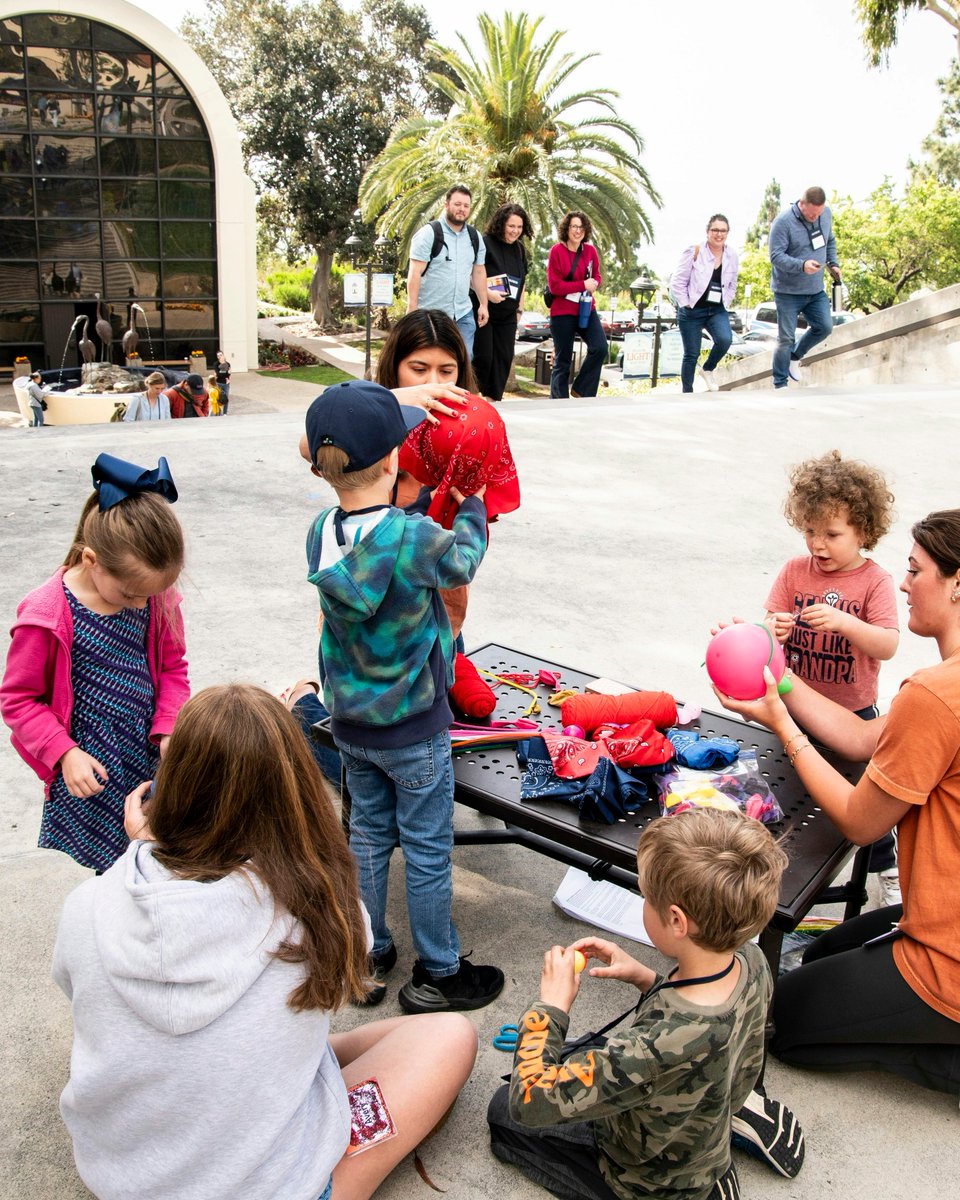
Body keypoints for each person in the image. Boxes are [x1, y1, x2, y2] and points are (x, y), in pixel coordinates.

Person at [51, 682, 478, 1200]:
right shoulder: (324, 910)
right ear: (296, 790)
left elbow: (80, 988)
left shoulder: (89, 903)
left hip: (120, 1179)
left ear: (171, 782)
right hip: (277, 1187)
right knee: (450, 1035)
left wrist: (138, 849)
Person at [715, 508, 960, 1097]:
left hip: (948, 957)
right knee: (815, 955)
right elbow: (861, 738)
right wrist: (776, 677)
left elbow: (859, 820)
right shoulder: (940, 687)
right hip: (938, 916)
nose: (904, 585)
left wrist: (782, 724)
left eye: (915, 570)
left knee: (780, 1023)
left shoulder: (936, 696)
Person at [303, 379, 504, 1013]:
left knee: (366, 838)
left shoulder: (320, 533)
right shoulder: (412, 538)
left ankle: (369, 953)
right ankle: (439, 971)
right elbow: (461, 562)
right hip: (414, 728)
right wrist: (471, 508)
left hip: (351, 724)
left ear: (320, 467)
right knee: (426, 848)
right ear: (394, 460)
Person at [488, 809, 799, 1200]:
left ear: (677, 921)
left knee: (503, 1110)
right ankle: (713, 1152)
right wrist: (645, 979)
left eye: (646, 897)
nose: (642, 902)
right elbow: (701, 1030)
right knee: (590, 1059)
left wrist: (550, 1008)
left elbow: (530, 1100)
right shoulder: (752, 961)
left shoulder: (647, 1050)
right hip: (704, 1119)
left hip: (644, 1181)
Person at [0, 454, 189, 873]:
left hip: (147, 751)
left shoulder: (155, 595)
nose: (141, 605)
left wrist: (169, 726)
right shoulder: (46, 615)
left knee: (155, 852)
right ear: (91, 560)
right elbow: (18, 700)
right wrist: (63, 753)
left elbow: (173, 667)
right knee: (113, 866)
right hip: (90, 766)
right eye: (130, 595)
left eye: (149, 595)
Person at [765, 449, 901, 903]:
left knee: (862, 801)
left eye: (832, 534)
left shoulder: (874, 582)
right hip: (796, 708)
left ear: (863, 530)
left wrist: (846, 623)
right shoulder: (793, 571)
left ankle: (885, 870)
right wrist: (774, 629)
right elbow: (767, 624)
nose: (817, 545)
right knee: (788, 788)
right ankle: (784, 872)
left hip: (853, 717)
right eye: (809, 531)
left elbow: (887, 644)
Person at [768, 185, 841, 389]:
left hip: (815, 289)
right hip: (787, 292)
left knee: (825, 327)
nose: (814, 218)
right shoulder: (783, 222)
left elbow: (829, 240)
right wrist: (801, 265)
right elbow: (775, 256)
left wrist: (833, 263)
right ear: (801, 204)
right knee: (786, 338)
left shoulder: (825, 214)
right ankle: (780, 384)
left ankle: (795, 357)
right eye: (811, 214)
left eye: (818, 214)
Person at [406, 185, 488, 356]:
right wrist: (411, 310)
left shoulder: (475, 237)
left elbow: (479, 272)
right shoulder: (429, 234)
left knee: (464, 360)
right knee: (431, 360)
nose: (462, 209)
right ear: (446, 205)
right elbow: (415, 273)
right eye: (457, 204)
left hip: (463, 314)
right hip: (431, 316)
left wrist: (483, 304)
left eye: (466, 205)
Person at [671, 214, 739, 393]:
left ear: (727, 233)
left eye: (723, 230)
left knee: (725, 340)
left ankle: (708, 369)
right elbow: (677, 282)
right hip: (692, 311)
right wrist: (686, 303)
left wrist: (726, 301)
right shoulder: (694, 251)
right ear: (707, 231)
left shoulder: (731, 255)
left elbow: (732, 283)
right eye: (715, 230)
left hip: (716, 310)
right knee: (691, 354)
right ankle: (687, 392)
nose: (719, 234)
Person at [472, 202, 533, 401]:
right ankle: (476, 398)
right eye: (511, 226)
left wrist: (519, 310)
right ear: (501, 224)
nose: (515, 231)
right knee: (484, 356)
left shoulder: (519, 249)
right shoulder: (485, 243)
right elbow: (472, 275)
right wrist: (488, 295)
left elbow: (523, 281)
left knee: (504, 358)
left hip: (508, 315)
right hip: (484, 311)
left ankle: (493, 400)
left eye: (519, 227)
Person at [546, 212, 608, 399]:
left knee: (600, 347)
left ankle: (582, 390)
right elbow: (555, 286)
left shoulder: (590, 251)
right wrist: (583, 284)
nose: (578, 231)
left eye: (581, 227)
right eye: (574, 226)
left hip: (586, 309)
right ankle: (558, 403)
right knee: (563, 360)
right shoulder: (556, 251)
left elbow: (596, 275)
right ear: (567, 228)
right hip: (562, 312)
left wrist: (595, 282)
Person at [214, 349, 231, 415]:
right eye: (218, 356)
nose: (220, 357)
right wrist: (226, 373)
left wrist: (226, 374)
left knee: (226, 399)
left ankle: (225, 413)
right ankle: (218, 413)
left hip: (226, 384)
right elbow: (218, 374)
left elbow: (229, 374)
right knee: (218, 398)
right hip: (218, 383)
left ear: (223, 355)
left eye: (221, 355)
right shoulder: (216, 364)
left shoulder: (228, 364)